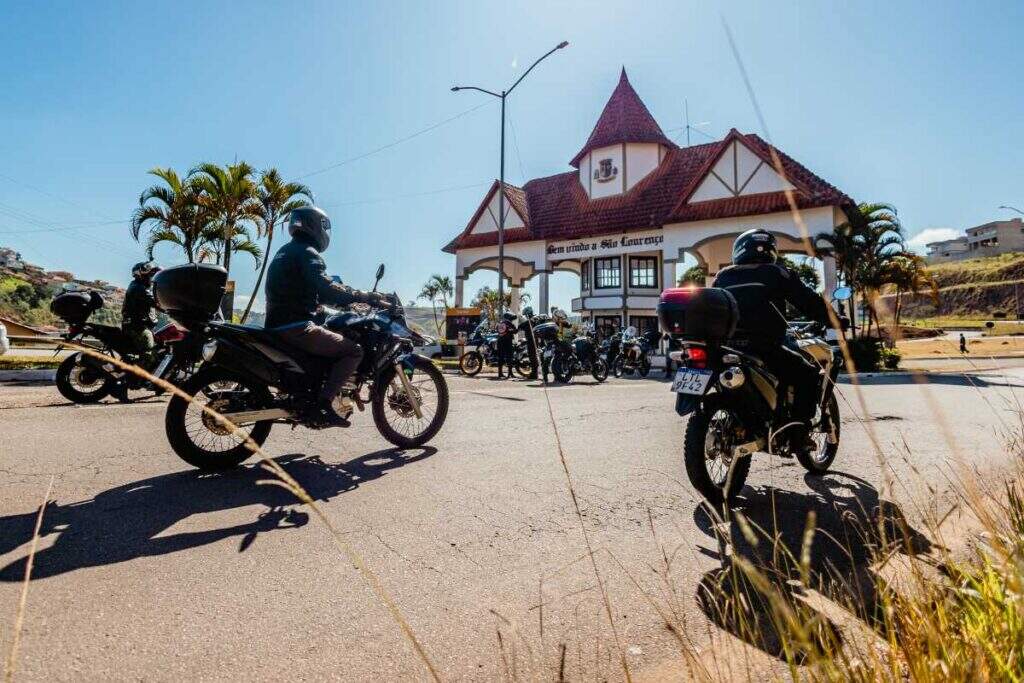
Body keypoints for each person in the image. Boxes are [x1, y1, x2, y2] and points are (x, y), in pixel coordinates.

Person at [712, 229, 836, 455]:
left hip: (726, 346)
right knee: (807, 374)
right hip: (764, 346)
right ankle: (798, 435)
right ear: (771, 250)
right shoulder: (777, 273)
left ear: (739, 250)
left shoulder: (723, 276)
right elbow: (808, 301)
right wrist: (834, 319)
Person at [264, 206, 391, 425]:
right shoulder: (307, 253)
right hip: (297, 327)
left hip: (277, 324)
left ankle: (311, 394)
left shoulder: (285, 251)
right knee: (354, 351)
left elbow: (306, 290)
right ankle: (323, 406)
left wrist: (331, 301)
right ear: (315, 225)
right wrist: (365, 296)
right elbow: (327, 287)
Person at [122, 261, 161, 364]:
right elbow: (157, 304)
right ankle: (139, 377)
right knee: (150, 355)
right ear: (141, 275)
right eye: (151, 275)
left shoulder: (138, 286)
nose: (152, 278)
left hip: (139, 325)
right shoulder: (139, 289)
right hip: (138, 327)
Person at [517, 306, 539, 380]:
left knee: (532, 357)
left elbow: (519, 327)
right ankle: (535, 373)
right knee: (533, 357)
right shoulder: (535, 320)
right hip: (536, 340)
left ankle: (534, 374)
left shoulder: (529, 322)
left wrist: (514, 329)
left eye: (525, 315)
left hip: (531, 341)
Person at [495, 311, 517, 379]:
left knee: (500, 358)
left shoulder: (500, 323)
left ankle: (500, 373)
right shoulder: (509, 323)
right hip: (508, 341)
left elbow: (497, 330)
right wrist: (511, 331)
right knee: (509, 357)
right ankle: (510, 373)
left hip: (500, 341)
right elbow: (515, 331)